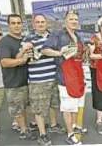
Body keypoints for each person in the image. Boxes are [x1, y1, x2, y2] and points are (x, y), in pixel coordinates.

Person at [42, 10, 87, 145]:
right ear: (65, 20)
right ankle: (70, 134)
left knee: (76, 105)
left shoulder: (77, 36)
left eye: (75, 19)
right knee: (68, 107)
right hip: (65, 77)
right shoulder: (58, 34)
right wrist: (59, 52)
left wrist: (85, 53)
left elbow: (79, 56)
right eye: (71, 19)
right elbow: (45, 49)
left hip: (78, 75)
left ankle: (74, 127)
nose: (74, 21)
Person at [22, 14, 66, 145]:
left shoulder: (53, 37)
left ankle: (53, 125)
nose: (40, 24)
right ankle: (42, 134)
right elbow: (24, 58)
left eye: (42, 22)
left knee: (53, 104)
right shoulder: (28, 39)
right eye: (37, 22)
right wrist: (26, 52)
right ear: (33, 24)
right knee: (39, 109)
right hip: (38, 80)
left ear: (46, 23)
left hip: (54, 77)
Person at [0, 14, 37, 140]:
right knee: (18, 109)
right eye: (13, 23)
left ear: (22, 24)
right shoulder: (4, 42)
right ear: (8, 25)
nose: (16, 25)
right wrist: (22, 60)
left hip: (28, 80)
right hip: (14, 83)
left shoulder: (25, 39)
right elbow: (4, 62)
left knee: (29, 106)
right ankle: (24, 131)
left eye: (18, 23)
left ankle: (33, 124)